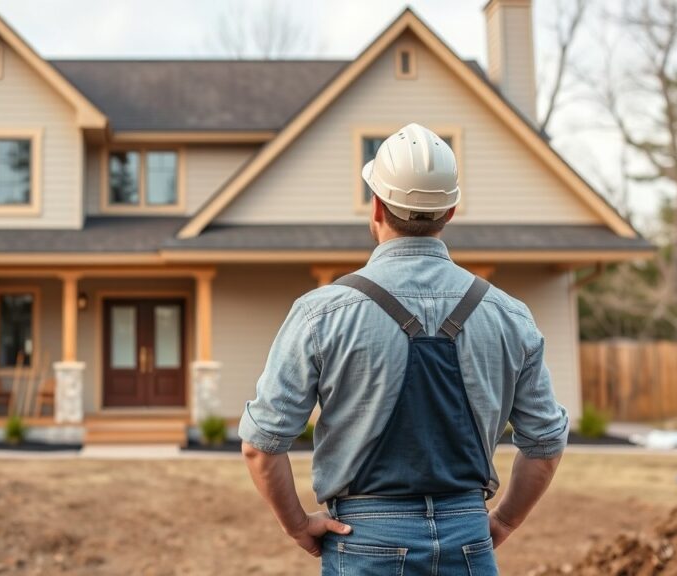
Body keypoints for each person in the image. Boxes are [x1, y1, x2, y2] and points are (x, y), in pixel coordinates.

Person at [239, 123, 568, 575]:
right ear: (450, 211)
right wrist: (504, 521)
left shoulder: (322, 313)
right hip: (468, 536)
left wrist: (297, 524)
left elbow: (261, 445)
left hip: (364, 541)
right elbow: (546, 443)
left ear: (376, 205)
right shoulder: (509, 316)